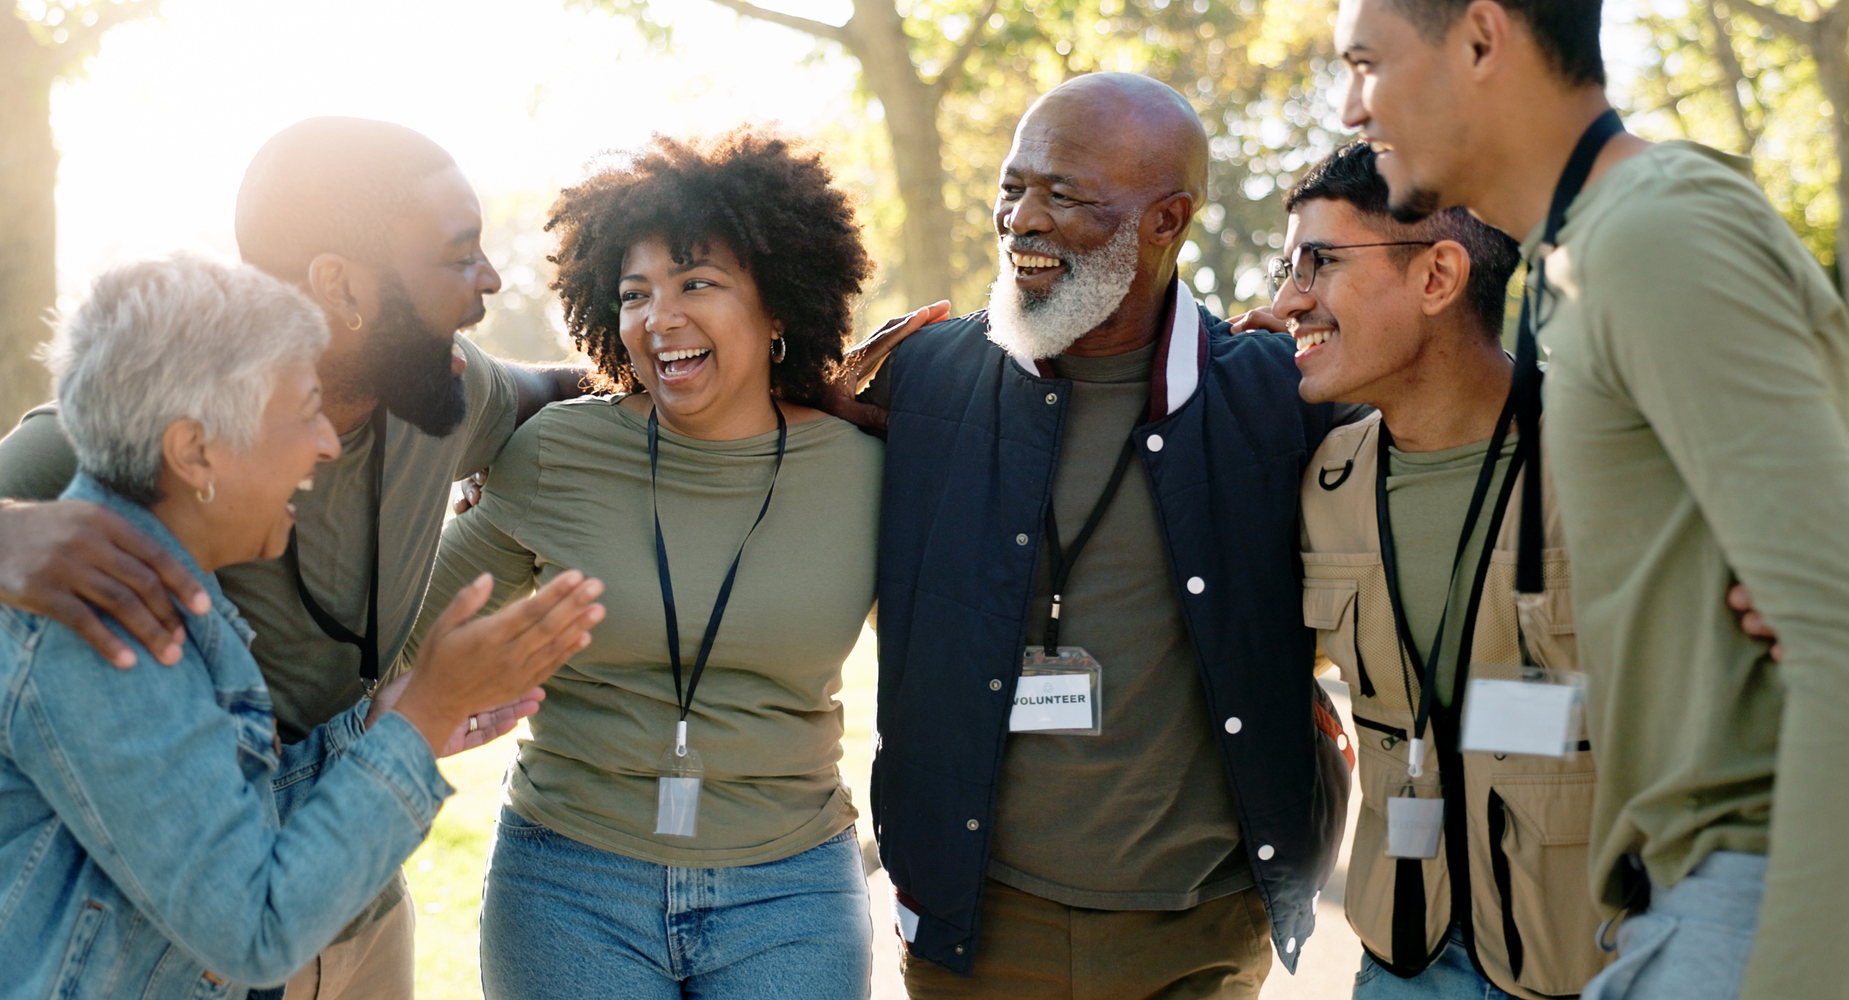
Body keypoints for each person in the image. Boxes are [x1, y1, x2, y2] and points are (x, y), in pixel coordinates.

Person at [0, 117, 589, 999]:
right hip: (200, 933)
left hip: (340, 885)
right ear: (341, 284)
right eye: (458, 255)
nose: (491, 280)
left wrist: (396, 718)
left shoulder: (441, 389)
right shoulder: (94, 515)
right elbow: (246, 914)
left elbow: (552, 391)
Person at [1332, 1, 1849, 997]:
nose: (1351, 105)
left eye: (1364, 62)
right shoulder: (1579, 262)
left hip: (1753, 890)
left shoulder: (1656, 231)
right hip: (1680, 900)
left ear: (1481, 38)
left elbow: (1831, 620)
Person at [861, 72, 1351, 1000]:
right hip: (971, 927)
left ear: (1167, 220)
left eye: (1065, 195)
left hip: (1200, 927)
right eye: (1013, 187)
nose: (1021, 219)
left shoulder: (1274, 396)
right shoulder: (922, 377)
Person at [407, 127, 906, 999]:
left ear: (779, 303)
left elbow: (951, 658)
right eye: (635, 294)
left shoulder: (867, 473)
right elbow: (406, 629)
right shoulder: (559, 452)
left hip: (790, 890)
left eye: (696, 284)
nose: (659, 318)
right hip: (570, 882)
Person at [1258, 141, 1607, 998]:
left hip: (1600, 960)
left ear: (1438, 278)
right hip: (1400, 960)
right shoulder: (1320, 484)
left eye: (1319, 264)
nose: (1286, 299)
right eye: (1286, 267)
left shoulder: (1617, 467)